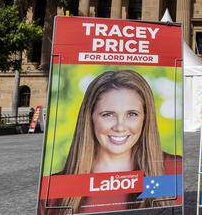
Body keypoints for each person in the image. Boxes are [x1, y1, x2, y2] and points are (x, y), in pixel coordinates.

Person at [46, 70, 180, 214]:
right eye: (108, 114)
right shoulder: (55, 188)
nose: (120, 127)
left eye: (132, 114)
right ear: (90, 118)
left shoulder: (172, 169)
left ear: (145, 118)